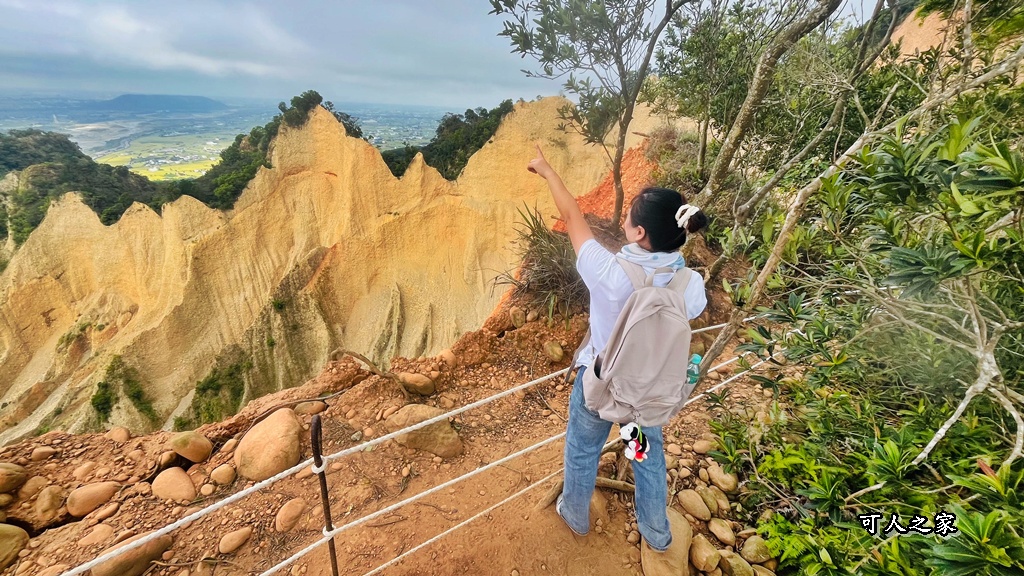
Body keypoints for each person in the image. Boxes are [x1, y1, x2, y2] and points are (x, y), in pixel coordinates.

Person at [527, 145, 708, 575]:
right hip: (644, 400)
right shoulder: (691, 284)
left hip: (600, 389)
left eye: (628, 217)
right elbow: (690, 312)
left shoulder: (609, 274)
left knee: (583, 449)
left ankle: (575, 516)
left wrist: (548, 171)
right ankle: (657, 532)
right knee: (644, 455)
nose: (622, 220)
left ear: (639, 234)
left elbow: (573, 218)